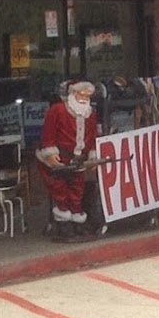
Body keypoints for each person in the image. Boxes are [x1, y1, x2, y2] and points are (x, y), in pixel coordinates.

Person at [36, 80, 99, 242]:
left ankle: (77, 221)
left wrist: (92, 154)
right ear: (72, 94)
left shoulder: (90, 113)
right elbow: (48, 134)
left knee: (77, 189)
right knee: (60, 190)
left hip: (78, 159)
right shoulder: (57, 110)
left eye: (87, 96)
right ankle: (63, 223)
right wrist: (50, 153)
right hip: (59, 158)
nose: (84, 98)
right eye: (81, 94)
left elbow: (93, 135)